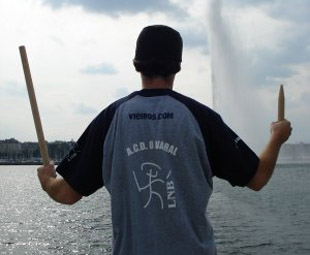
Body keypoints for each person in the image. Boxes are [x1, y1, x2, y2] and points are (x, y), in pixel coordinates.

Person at [37, 25, 292, 255]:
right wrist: (276, 138)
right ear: (178, 66)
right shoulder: (200, 118)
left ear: (136, 64)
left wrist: (48, 181)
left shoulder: (111, 118)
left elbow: (66, 194)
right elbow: (258, 178)